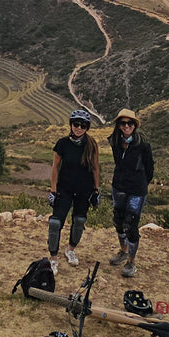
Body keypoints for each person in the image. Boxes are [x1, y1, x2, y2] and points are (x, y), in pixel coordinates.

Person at [46, 108, 101, 273]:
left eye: (83, 125)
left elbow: (96, 168)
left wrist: (96, 190)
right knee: (55, 223)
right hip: (64, 188)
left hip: (84, 190)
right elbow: (55, 167)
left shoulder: (91, 145)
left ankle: (70, 249)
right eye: (76, 124)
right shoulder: (62, 143)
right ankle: (53, 258)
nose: (79, 128)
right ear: (71, 125)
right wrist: (53, 190)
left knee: (79, 221)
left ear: (87, 127)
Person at [108, 108, 154, 278]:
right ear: (119, 125)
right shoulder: (116, 142)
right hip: (119, 187)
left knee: (131, 225)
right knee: (118, 221)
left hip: (136, 191)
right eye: (123, 123)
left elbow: (150, 169)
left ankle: (131, 262)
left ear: (135, 125)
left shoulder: (143, 145)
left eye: (130, 123)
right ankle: (123, 251)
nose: (126, 126)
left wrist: (140, 184)